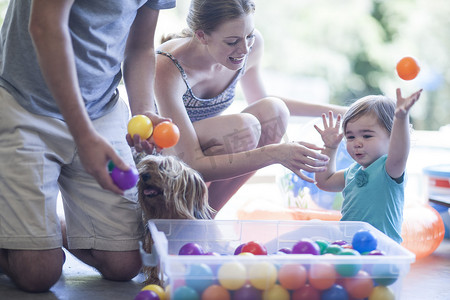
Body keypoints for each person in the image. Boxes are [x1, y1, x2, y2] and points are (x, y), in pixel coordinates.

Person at [0, 0, 175, 293]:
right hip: (24, 104)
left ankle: (36, 230)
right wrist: (85, 137)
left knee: (124, 264)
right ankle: (29, 238)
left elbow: (141, 46)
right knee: (38, 274)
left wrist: (143, 110)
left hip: (100, 109)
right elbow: (44, 26)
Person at [152, 0, 347, 213]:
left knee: (275, 111)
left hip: (206, 150)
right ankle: (193, 214)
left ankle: (207, 213)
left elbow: (264, 104)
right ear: (201, 36)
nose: (244, 49)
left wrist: (344, 113)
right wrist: (274, 154)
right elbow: (191, 162)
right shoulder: (167, 66)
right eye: (232, 41)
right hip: (167, 156)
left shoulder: (249, 47)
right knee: (245, 128)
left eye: (249, 36)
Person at [314, 88, 422, 243]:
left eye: (367, 135)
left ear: (392, 137)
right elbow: (324, 181)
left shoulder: (390, 169)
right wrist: (330, 148)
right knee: (315, 225)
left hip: (381, 250)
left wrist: (401, 118)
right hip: (350, 248)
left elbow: (399, 153)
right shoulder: (352, 171)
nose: (357, 143)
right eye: (350, 137)